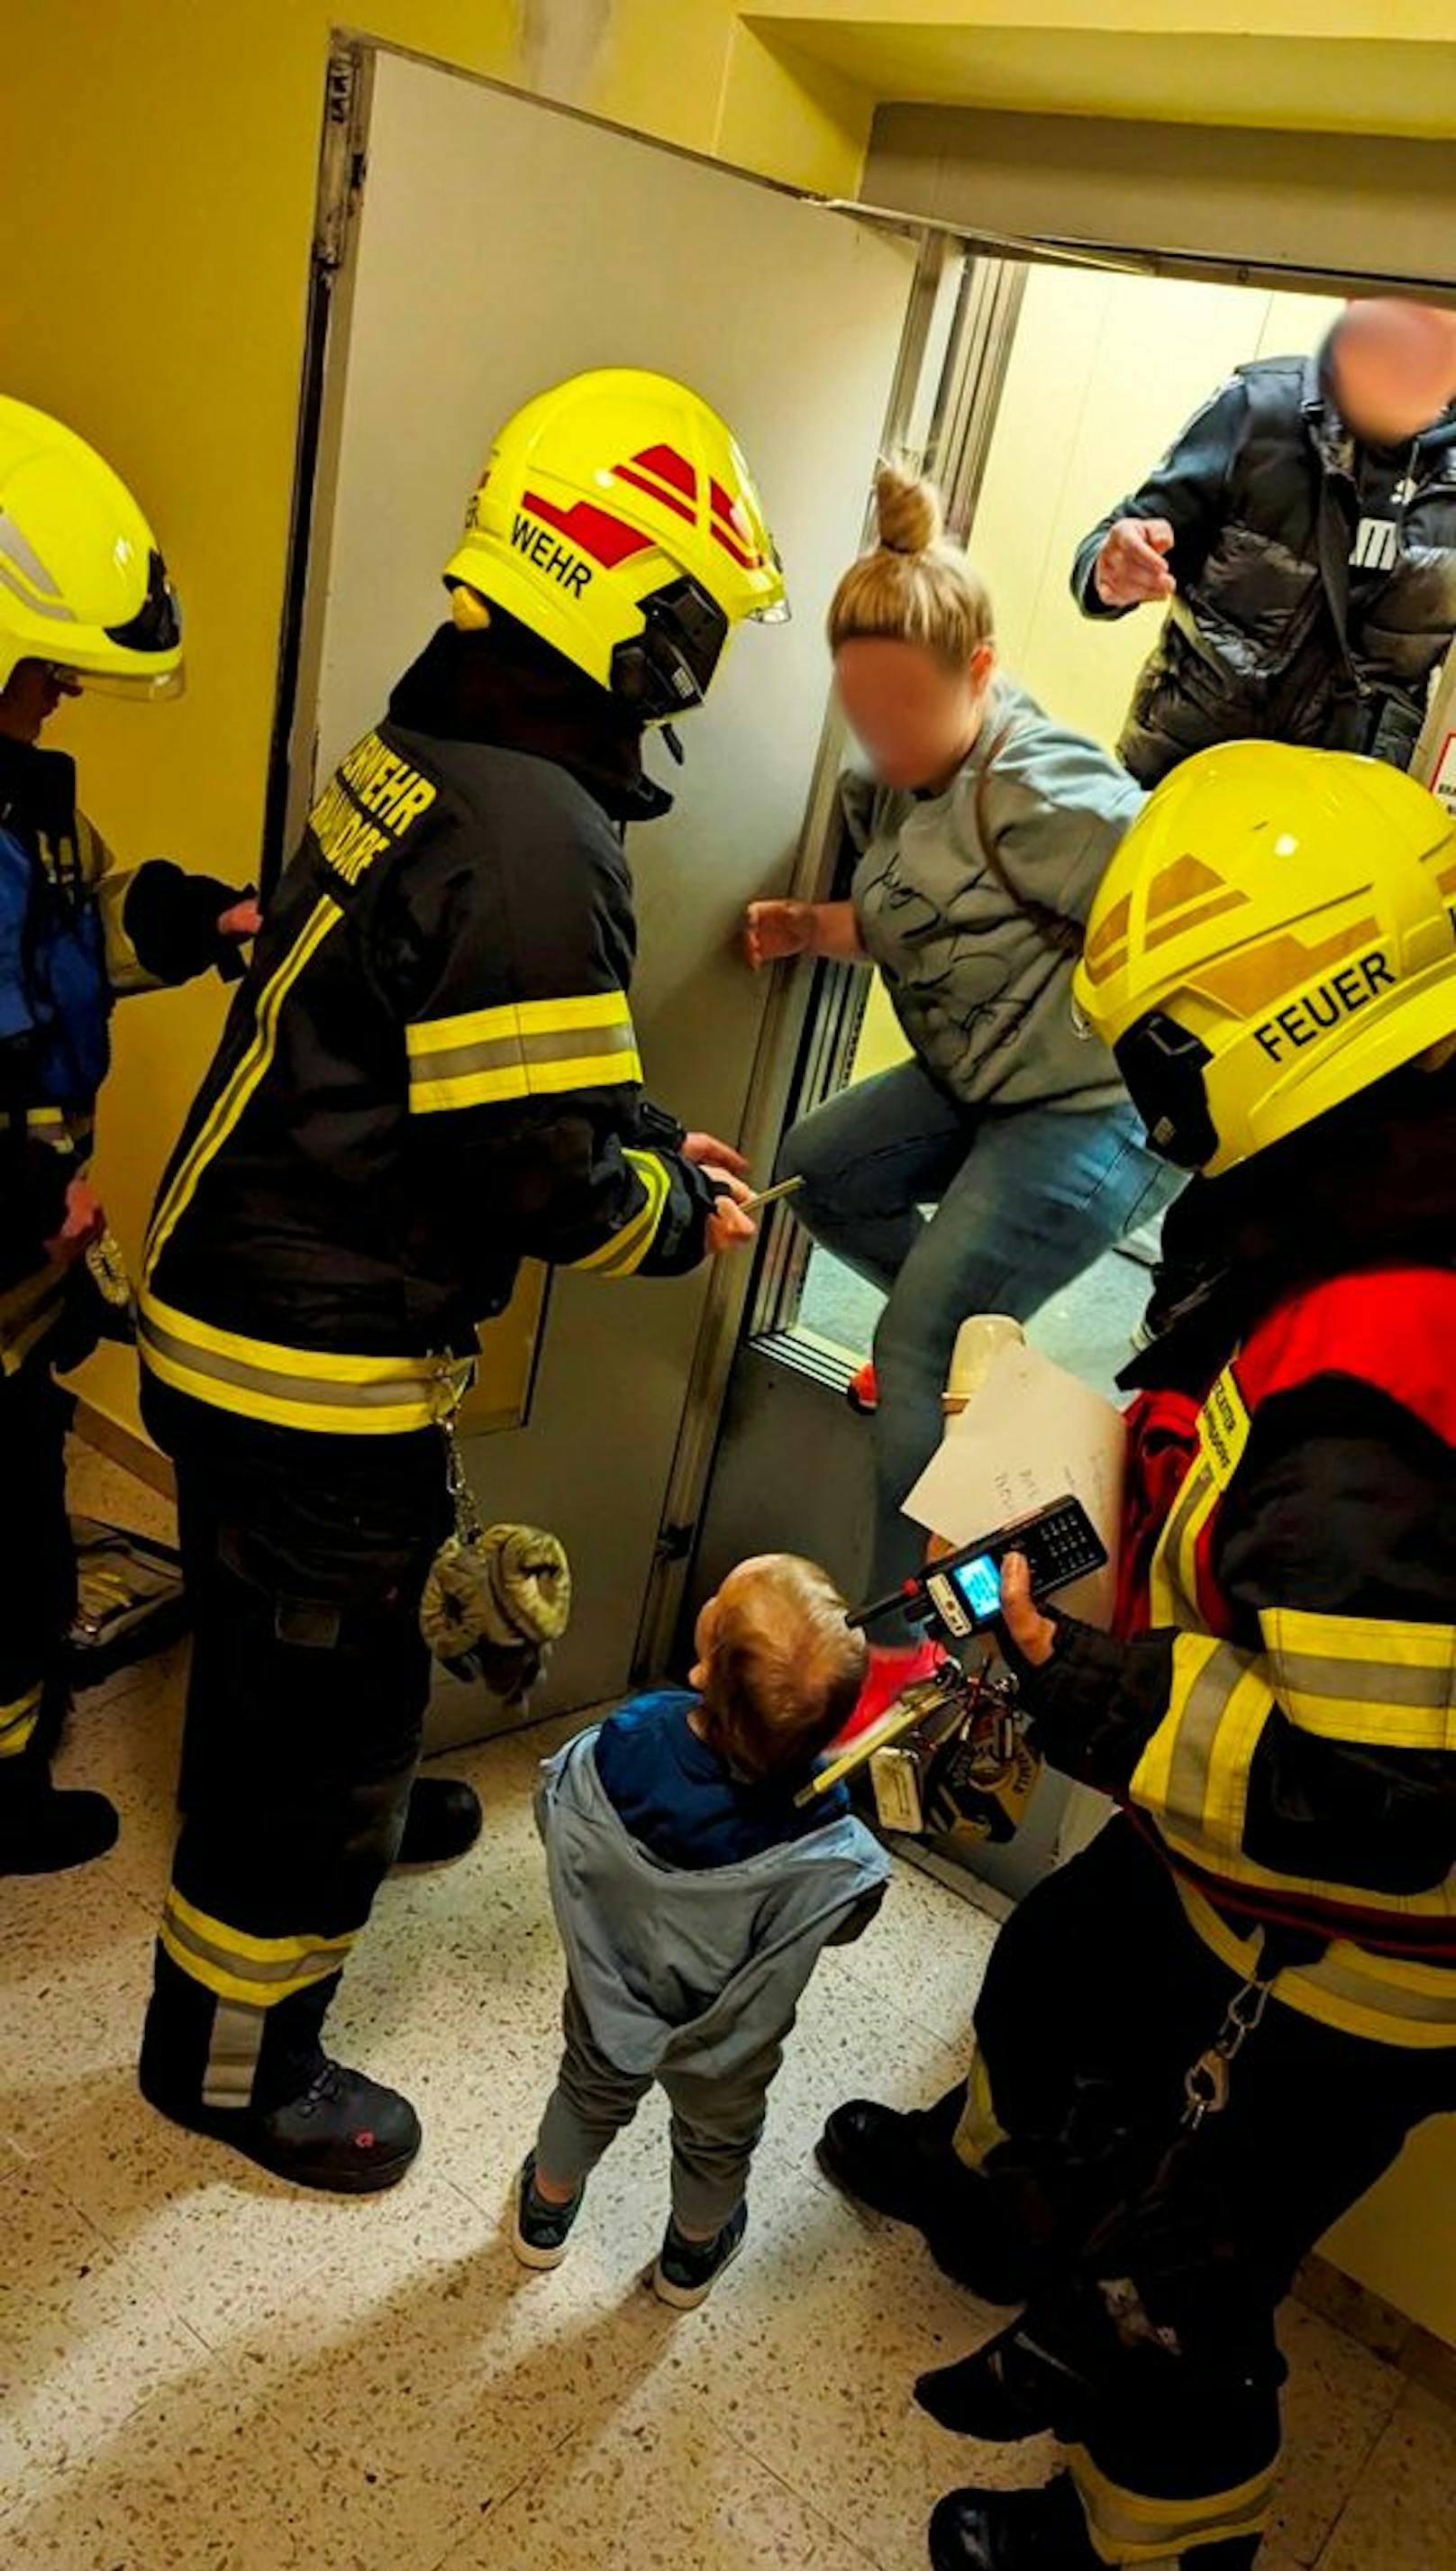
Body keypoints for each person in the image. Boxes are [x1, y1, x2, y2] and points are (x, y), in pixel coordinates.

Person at [135, 369, 784, 2194]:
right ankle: (235, 2057)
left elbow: (506, 1058)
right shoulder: (533, 830)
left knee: (305, 1651)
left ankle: (335, 1777)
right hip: (305, 1356)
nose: (692, 660)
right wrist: (662, 1210)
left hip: (249, 1298)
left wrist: (644, 1127)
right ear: (627, 604)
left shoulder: (448, 746)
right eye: (690, 619)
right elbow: (537, 1180)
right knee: (307, 1719)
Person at [817, 740, 1456, 2571]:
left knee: (1175, 2295)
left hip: (1354, 1948)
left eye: (1159, 1043)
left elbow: (1370, 1799)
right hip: (1236, 1871)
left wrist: (1060, 1675)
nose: (1146, 1092)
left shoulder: (1376, 1368)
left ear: (1256, 1023)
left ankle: (1139, 2553)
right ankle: (994, 2183)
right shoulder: (1362, 1183)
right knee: (1053, 1978)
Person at [745, 467, 1166, 1727]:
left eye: (906, 705)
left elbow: (1171, 907)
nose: (879, 731)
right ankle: (964, 1356)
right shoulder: (894, 779)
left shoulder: (1040, 785)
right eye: (858, 705)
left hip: (1088, 1103)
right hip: (981, 1083)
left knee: (911, 1342)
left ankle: (915, 1664)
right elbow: (922, 918)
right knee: (821, 1169)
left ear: (980, 670)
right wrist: (810, 926)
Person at [0, 395, 259, 1878]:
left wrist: (189, 916)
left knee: (21, 1527)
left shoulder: (20, 800)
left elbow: (71, 927)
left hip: (23, 1292)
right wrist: (17, 1201)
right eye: (40, 671)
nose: (61, 699)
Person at [510, 1553, 886, 2306]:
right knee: (718, 2142)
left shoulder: (630, 1739)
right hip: (728, 2041)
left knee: (586, 2094)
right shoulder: (821, 1819)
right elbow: (845, 1916)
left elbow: (557, 1806)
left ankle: (545, 2211)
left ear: (704, 1672)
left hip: (610, 1994)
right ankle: (690, 2255)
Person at [1072, 296, 1456, 786]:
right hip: (1185, 778)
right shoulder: (1260, 407)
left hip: (1348, 813)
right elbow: (1110, 544)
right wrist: (1109, 572)